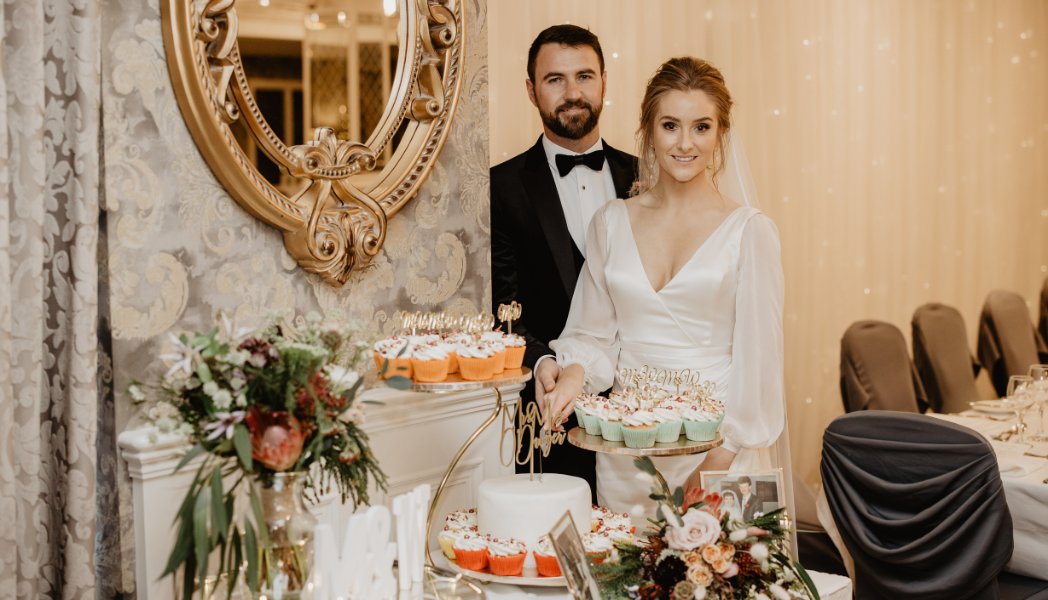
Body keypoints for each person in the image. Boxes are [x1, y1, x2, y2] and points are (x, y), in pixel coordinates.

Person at [539, 56, 789, 515]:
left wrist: (713, 469)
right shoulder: (611, 223)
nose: (685, 144)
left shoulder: (750, 232)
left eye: (702, 127)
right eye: (671, 125)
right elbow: (593, 334)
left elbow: (760, 368)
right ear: (649, 129)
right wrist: (572, 374)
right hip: (628, 459)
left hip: (721, 453)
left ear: (720, 134)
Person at [490, 24, 638, 496]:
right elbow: (500, 302)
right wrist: (540, 362)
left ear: (604, 82)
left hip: (640, 414)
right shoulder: (499, 187)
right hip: (549, 411)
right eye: (555, 79)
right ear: (532, 91)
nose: (573, 93)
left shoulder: (647, 177)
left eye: (584, 77)